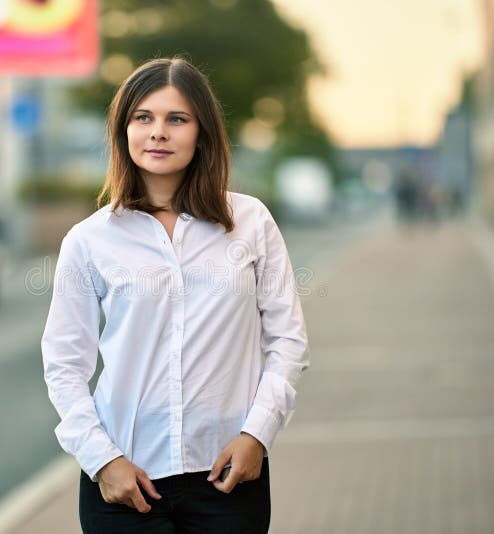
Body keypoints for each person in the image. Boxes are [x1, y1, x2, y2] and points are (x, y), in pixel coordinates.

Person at [41, 57, 308, 533]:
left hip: (228, 476)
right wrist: (103, 461)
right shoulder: (89, 240)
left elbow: (287, 341)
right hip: (125, 484)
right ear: (124, 132)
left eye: (176, 119)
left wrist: (257, 435)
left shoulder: (251, 222)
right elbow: (64, 364)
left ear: (202, 133)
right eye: (143, 118)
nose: (158, 132)